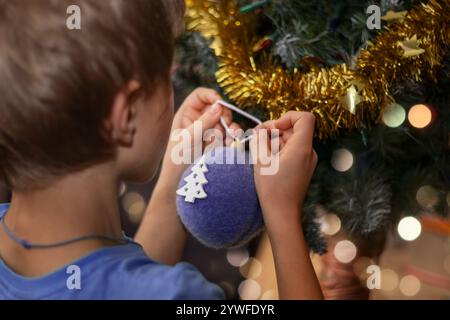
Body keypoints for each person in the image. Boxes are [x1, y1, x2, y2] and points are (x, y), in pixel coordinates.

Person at [0, 0, 322, 300]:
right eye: (168, 76)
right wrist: (282, 215)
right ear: (126, 114)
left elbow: (126, 274)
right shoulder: (180, 295)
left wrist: (174, 176)